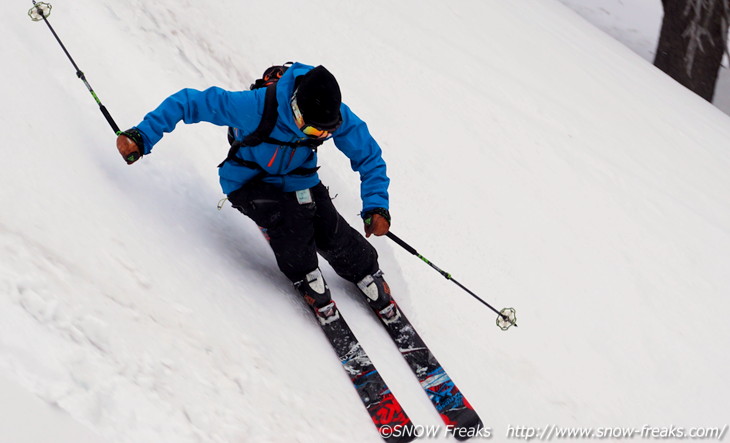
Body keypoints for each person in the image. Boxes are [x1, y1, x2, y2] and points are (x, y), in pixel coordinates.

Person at [116, 62, 394, 323]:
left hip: (298, 178)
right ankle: (305, 274)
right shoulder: (255, 107)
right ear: (296, 109)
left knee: (329, 227)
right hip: (247, 182)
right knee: (292, 224)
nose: (318, 136)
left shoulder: (331, 117)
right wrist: (142, 135)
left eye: (325, 134)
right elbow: (189, 102)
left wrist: (377, 206)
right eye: (312, 130)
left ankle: (366, 271)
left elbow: (369, 157)